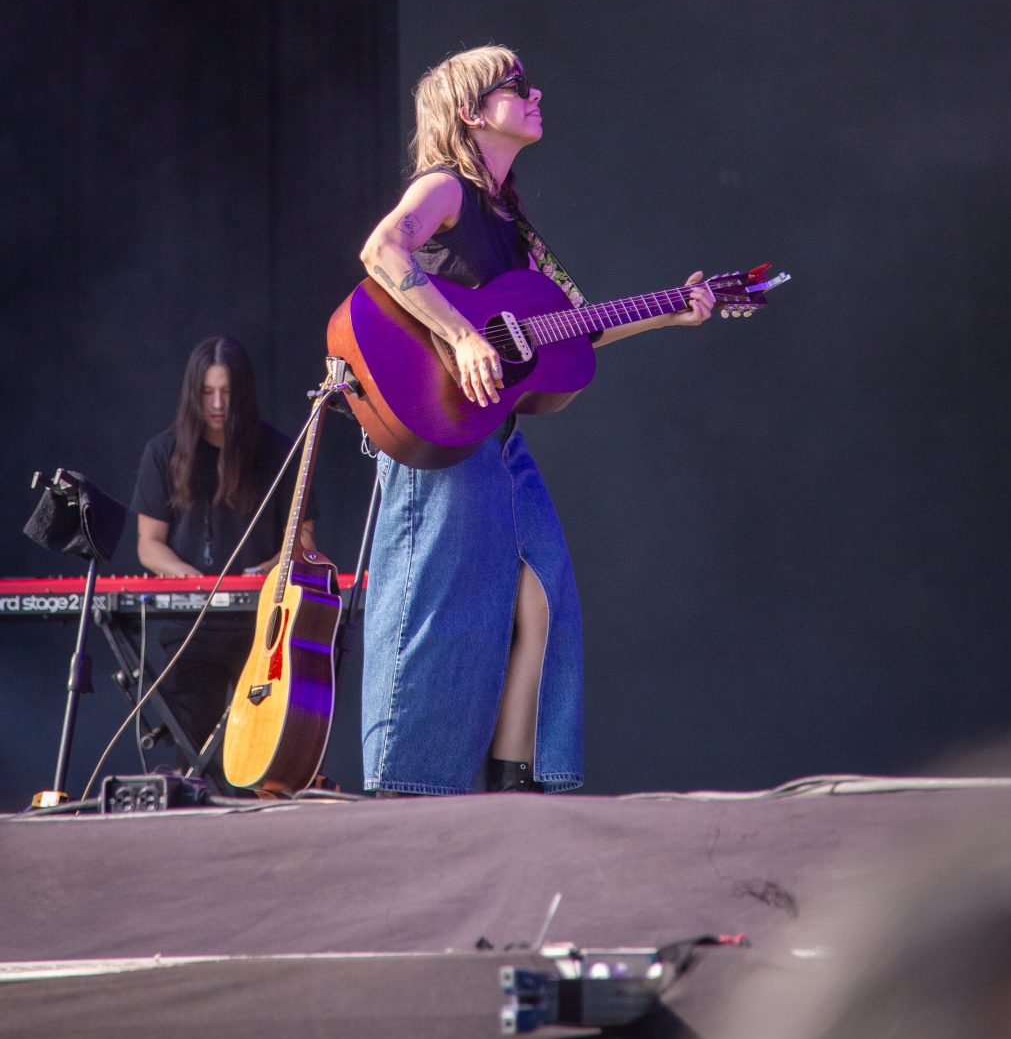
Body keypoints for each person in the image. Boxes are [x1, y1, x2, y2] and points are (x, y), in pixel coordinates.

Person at [357, 45, 713, 796]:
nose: (535, 93)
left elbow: (575, 328)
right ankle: (407, 789)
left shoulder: (509, 222)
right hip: (438, 430)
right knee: (433, 610)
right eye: (516, 86)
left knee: (542, 598)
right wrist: (461, 335)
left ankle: (516, 786)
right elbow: (382, 247)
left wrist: (672, 312)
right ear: (471, 111)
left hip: (496, 436)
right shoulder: (443, 187)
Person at [131, 335, 315, 789]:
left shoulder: (278, 451)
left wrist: (271, 568)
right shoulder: (163, 452)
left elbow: (304, 538)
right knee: (197, 754)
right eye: (207, 393)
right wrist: (190, 578)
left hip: (264, 626)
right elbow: (149, 544)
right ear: (192, 394)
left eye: (226, 393)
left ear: (243, 394)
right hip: (192, 625)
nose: (216, 405)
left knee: (268, 748)